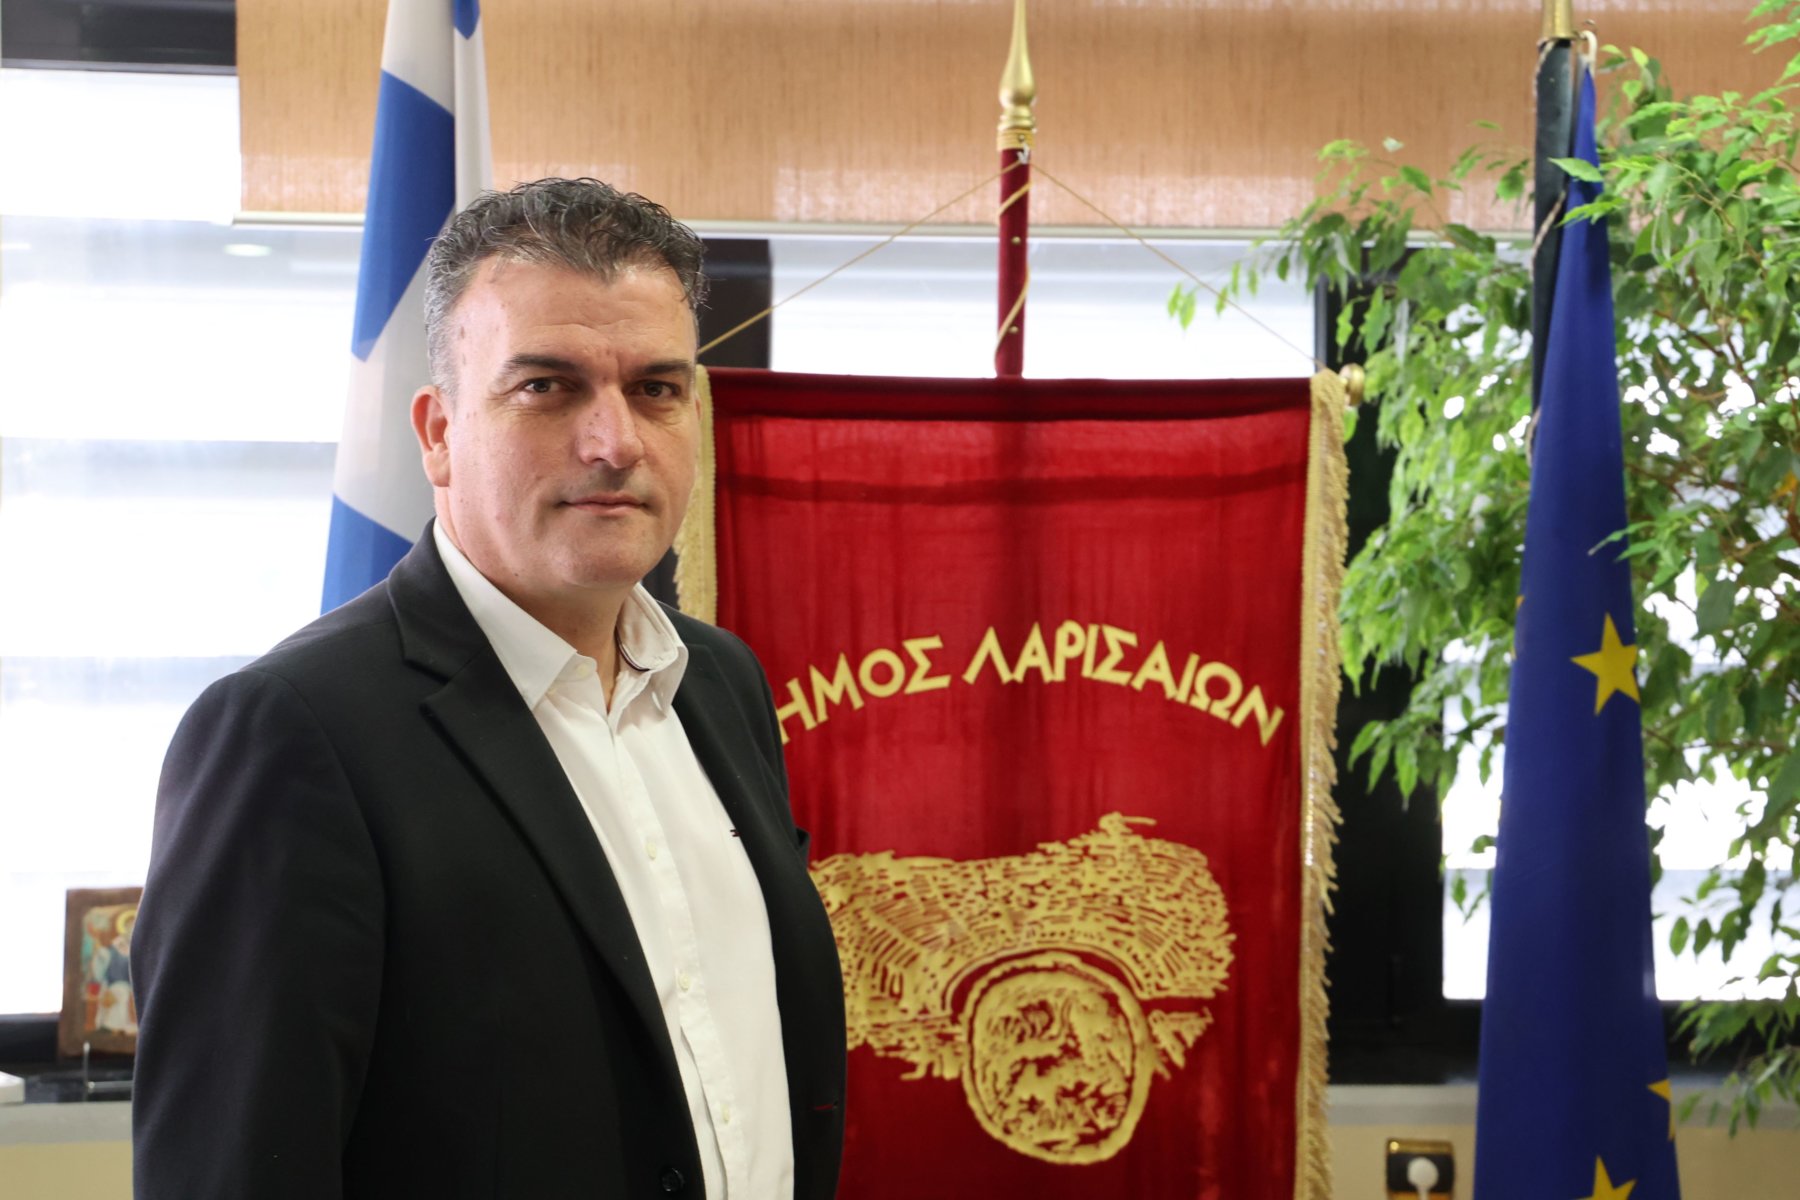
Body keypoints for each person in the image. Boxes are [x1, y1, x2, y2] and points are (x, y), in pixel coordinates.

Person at [132, 178, 846, 1199]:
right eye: (548, 386)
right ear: (437, 433)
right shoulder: (294, 735)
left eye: (656, 388)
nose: (616, 443)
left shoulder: (722, 683)